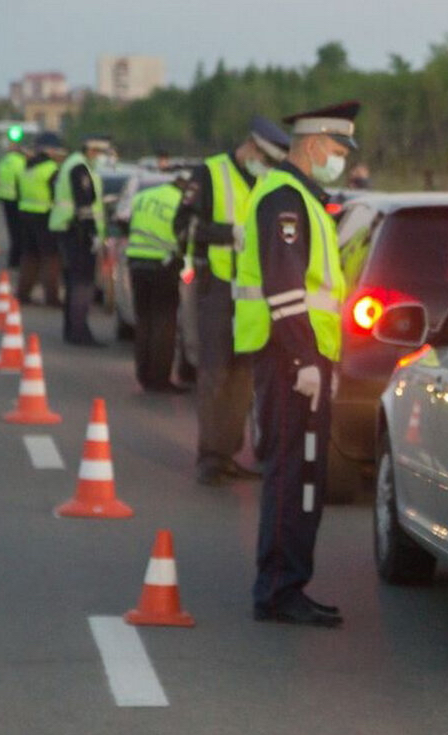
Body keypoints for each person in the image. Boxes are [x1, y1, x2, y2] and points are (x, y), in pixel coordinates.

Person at [234, 101, 356, 627]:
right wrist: (305, 359)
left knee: (301, 474)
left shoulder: (303, 199)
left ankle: (286, 584)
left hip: (303, 358)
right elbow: (285, 290)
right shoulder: (285, 201)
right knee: (292, 475)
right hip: (290, 361)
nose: (340, 160)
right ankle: (280, 589)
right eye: (335, 149)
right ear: (310, 145)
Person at [174, 115, 291, 486]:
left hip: (253, 293)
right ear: (253, 148)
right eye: (265, 159)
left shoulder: (266, 180)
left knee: (243, 375)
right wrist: (228, 234)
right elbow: (184, 226)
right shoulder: (209, 173)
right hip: (217, 286)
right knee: (214, 371)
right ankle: (210, 456)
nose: (266, 168)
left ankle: (227, 452)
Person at [126, 173, 188, 393]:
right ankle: (159, 378)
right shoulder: (181, 201)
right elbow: (184, 235)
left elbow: (125, 221)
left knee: (144, 321)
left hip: (136, 261)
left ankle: (143, 374)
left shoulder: (144, 196)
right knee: (164, 323)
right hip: (164, 264)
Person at [49, 135, 111, 346]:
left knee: (73, 282)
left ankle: (71, 329)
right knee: (82, 283)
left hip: (69, 229)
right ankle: (78, 331)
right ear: (91, 150)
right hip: (78, 232)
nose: (101, 157)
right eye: (100, 152)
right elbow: (84, 204)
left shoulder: (72, 164)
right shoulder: (79, 168)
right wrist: (92, 233)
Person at [16, 132, 66, 306]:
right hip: (45, 215)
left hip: (25, 214)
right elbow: (57, 194)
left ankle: (23, 294)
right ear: (51, 151)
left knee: (30, 256)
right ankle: (52, 297)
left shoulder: (27, 167)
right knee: (51, 257)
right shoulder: (51, 169)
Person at [0, 140, 29, 269]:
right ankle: (16, 259)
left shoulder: (4, 160)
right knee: (18, 232)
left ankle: (13, 259)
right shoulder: (20, 162)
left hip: (5, 198)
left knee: (12, 230)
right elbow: (23, 180)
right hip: (16, 199)